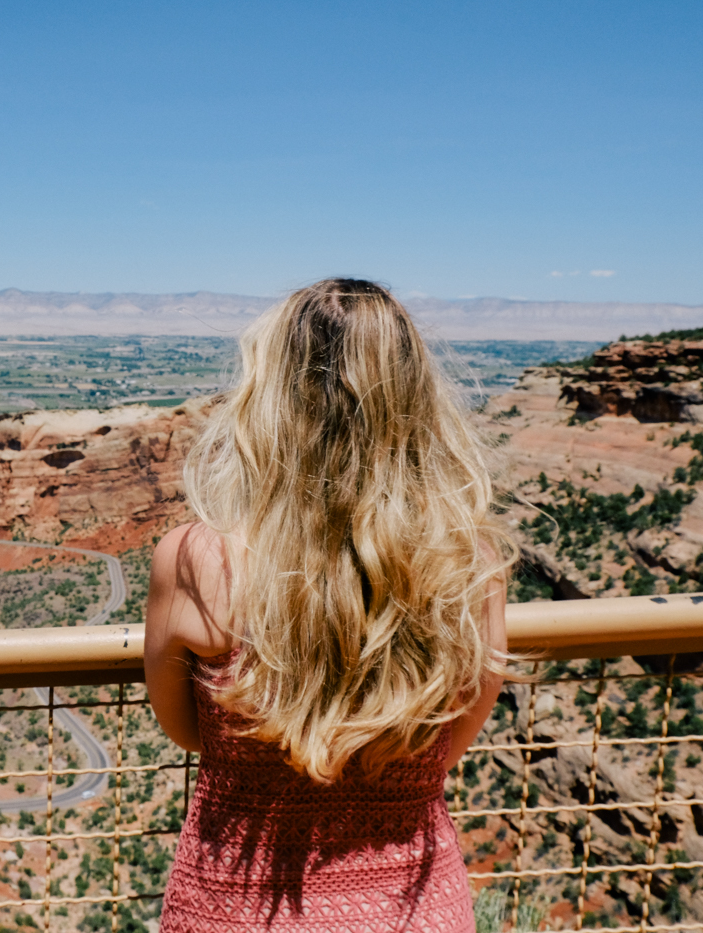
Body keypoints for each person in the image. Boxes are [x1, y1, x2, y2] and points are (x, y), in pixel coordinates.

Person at [145, 279, 513, 932]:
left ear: (272, 397)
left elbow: (184, 728)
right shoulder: (468, 566)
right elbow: (453, 738)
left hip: (237, 906)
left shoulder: (198, 561)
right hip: (413, 911)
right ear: (411, 398)